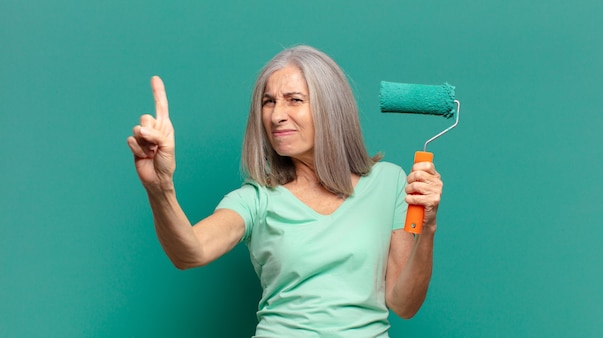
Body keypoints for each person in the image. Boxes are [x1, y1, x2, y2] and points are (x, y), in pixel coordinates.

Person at [127, 45, 443, 337]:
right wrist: (160, 187)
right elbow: (189, 252)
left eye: (294, 99)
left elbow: (404, 304)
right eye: (269, 102)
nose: (277, 115)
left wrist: (427, 228)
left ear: (330, 108)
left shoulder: (389, 183)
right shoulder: (256, 199)